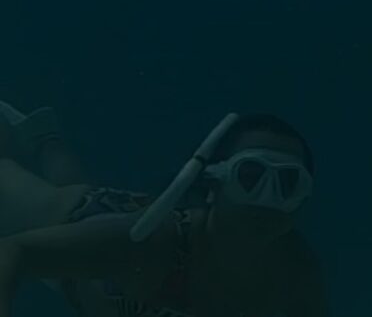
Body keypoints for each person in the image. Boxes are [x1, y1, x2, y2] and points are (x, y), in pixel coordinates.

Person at [0, 111, 327, 316]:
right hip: (79, 219)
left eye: (287, 184)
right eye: (251, 177)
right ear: (212, 184)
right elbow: (13, 250)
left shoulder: (298, 275)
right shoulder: (156, 246)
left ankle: (46, 137)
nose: (265, 201)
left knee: (75, 187)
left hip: (117, 234)